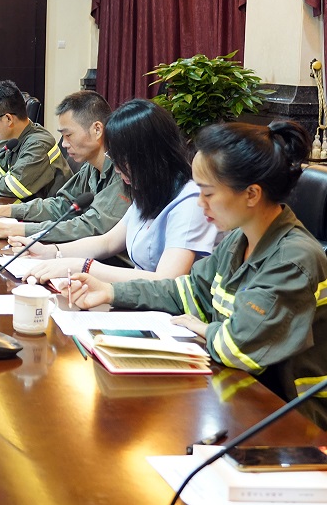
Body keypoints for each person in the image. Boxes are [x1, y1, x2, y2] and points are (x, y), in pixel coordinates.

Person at [65, 121, 327, 428]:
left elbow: (238, 346)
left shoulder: (293, 260)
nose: (200, 203)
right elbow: (186, 291)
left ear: (252, 194)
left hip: (292, 418)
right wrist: (110, 292)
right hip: (238, 394)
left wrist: (204, 328)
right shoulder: (238, 239)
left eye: (208, 193)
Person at [24, 99, 216, 282]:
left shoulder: (190, 201)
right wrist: (51, 252)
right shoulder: (151, 190)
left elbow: (166, 280)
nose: (116, 169)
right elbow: (107, 242)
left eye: (121, 160)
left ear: (149, 156)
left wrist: (84, 267)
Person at [0, 90, 130, 242]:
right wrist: (2, 210)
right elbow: (61, 205)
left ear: (97, 130)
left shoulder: (122, 174)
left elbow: (88, 228)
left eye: (69, 135)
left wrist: (10, 229)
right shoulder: (90, 167)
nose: (64, 144)